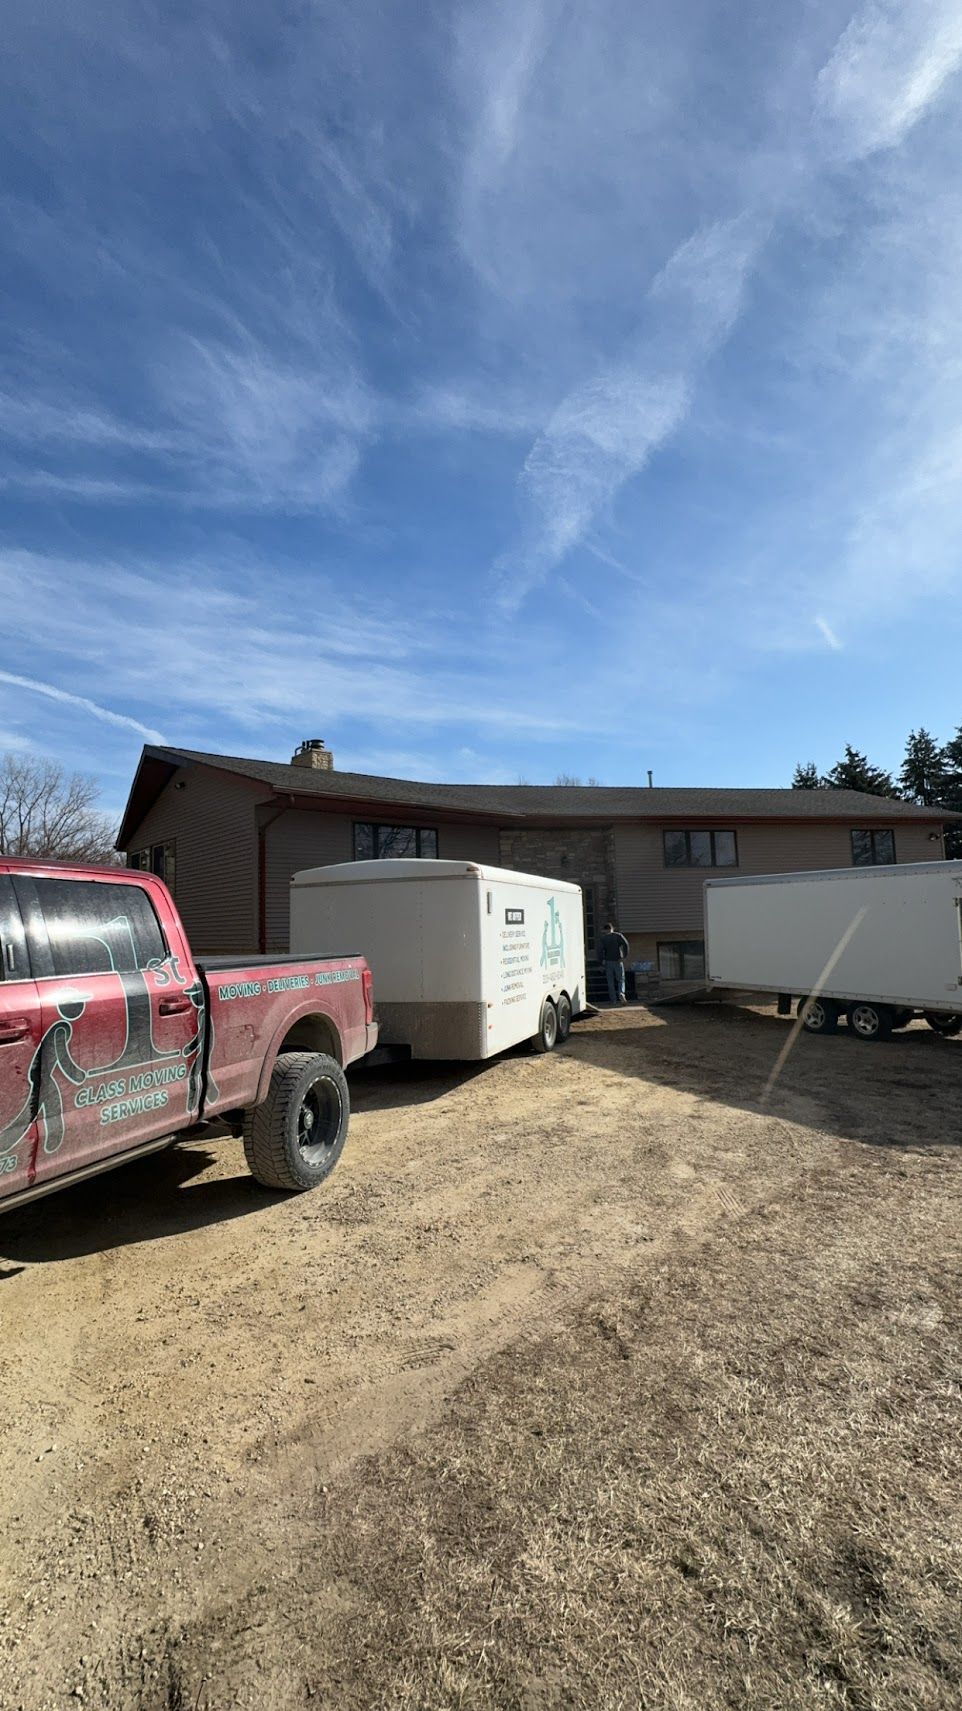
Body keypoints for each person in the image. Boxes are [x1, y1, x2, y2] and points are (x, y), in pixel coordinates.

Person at [598, 920, 629, 1005]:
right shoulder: (618, 936)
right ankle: (621, 993)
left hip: (608, 961)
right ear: (612, 928)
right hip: (618, 960)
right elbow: (626, 944)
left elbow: (600, 951)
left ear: (605, 930)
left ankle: (613, 1000)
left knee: (610, 982)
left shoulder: (603, 938)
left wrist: (601, 962)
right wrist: (624, 956)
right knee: (621, 979)